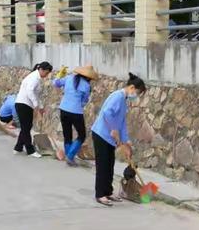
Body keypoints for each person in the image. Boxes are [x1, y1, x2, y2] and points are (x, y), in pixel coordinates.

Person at [91, 72, 146, 206]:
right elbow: (107, 113)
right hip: (101, 135)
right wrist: (113, 129)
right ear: (132, 87)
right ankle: (100, 194)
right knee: (103, 165)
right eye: (137, 92)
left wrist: (126, 141)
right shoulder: (117, 96)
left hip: (110, 138)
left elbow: (122, 123)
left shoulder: (124, 100)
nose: (136, 96)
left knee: (110, 165)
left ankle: (108, 192)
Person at [53, 65, 99, 166]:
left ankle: (69, 156)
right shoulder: (86, 86)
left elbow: (55, 83)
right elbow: (84, 101)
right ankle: (70, 156)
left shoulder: (69, 78)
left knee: (67, 134)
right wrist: (79, 104)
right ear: (88, 77)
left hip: (63, 109)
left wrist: (59, 74)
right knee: (82, 135)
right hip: (76, 112)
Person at [14, 61, 53, 158]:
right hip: (24, 104)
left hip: (25, 104)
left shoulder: (36, 77)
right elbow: (30, 91)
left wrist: (41, 107)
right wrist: (36, 105)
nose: (47, 75)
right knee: (26, 128)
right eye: (46, 72)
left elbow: (36, 95)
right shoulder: (34, 78)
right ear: (41, 70)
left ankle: (18, 147)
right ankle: (30, 150)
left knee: (26, 127)